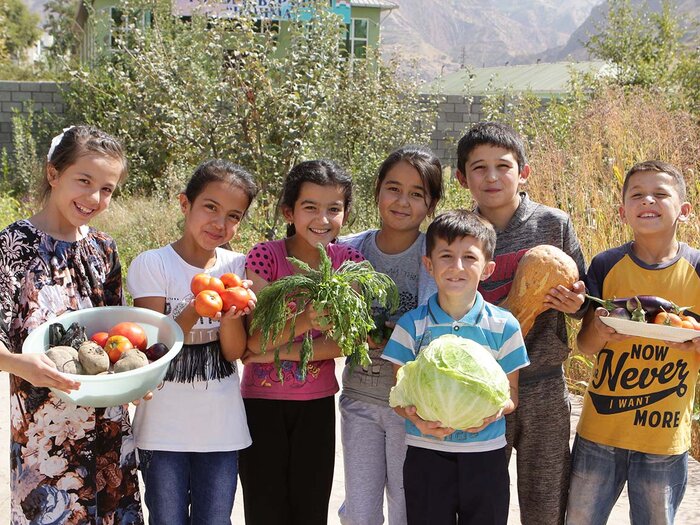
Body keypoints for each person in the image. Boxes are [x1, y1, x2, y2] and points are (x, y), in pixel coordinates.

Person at [0, 125, 144, 523]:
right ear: (53, 173)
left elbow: (119, 341)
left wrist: (137, 379)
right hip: (45, 440)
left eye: (108, 189)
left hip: (110, 434)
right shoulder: (12, 248)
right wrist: (20, 365)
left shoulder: (104, 249)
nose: (94, 198)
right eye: (84, 180)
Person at [455, 121, 586, 525]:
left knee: (545, 500)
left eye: (503, 165)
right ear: (462, 178)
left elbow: (584, 301)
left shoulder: (553, 224)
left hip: (544, 383)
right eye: (478, 168)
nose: (492, 177)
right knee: (479, 499)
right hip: (483, 386)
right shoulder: (458, 231)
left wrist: (575, 304)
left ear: (523, 172)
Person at [566, 160, 700, 525]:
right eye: (637, 195)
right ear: (623, 211)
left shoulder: (697, 268)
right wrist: (602, 330)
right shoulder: (606, 264)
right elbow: (586, 346)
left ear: (684, 211)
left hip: (664, 436)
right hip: (601, 430)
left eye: (660, 194)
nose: (648, 201)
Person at [125, 159, 258, 524]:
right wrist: (197, 307)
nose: (219, 223)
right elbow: (153, 347)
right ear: (185, 204)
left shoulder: (238, 266)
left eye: (233, 215)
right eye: (210, 208)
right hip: (162, 429)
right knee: (166, 519)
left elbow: (232, 353)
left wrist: (229, 314)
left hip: (222, 428)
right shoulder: (153, 264)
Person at [382, 209, 529, 525]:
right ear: (428, 264)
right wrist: (419, 421)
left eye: (470, 258)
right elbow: (399, 395)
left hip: (486, 455)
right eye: (446, 256)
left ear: (487, 268)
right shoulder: (412, 325)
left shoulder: (505, 326)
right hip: (426, 453)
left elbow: (512, 393)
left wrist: (494, 410)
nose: (457, 267)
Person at [239, 159, 364, 525]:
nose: (322, 219)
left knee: (310, 509)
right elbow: (254, 335)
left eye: (334, 209)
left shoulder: (350, 263)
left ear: (345, 214)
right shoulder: (265, 257)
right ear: (288, 211)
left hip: (317, 403)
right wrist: (308, 321)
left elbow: (345, 342)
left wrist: (270, 350)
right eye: (310, 207)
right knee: (264, 509)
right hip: (261, 404)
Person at [337, 145, 443, 525]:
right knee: (360, 511)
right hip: (359, 399)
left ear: (431, 205)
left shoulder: (439, 254)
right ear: (378, 190)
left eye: (417, 194)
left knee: (407, 507)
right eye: (393, 188)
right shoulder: (347, 250)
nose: (403, 201)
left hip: (412, 408)